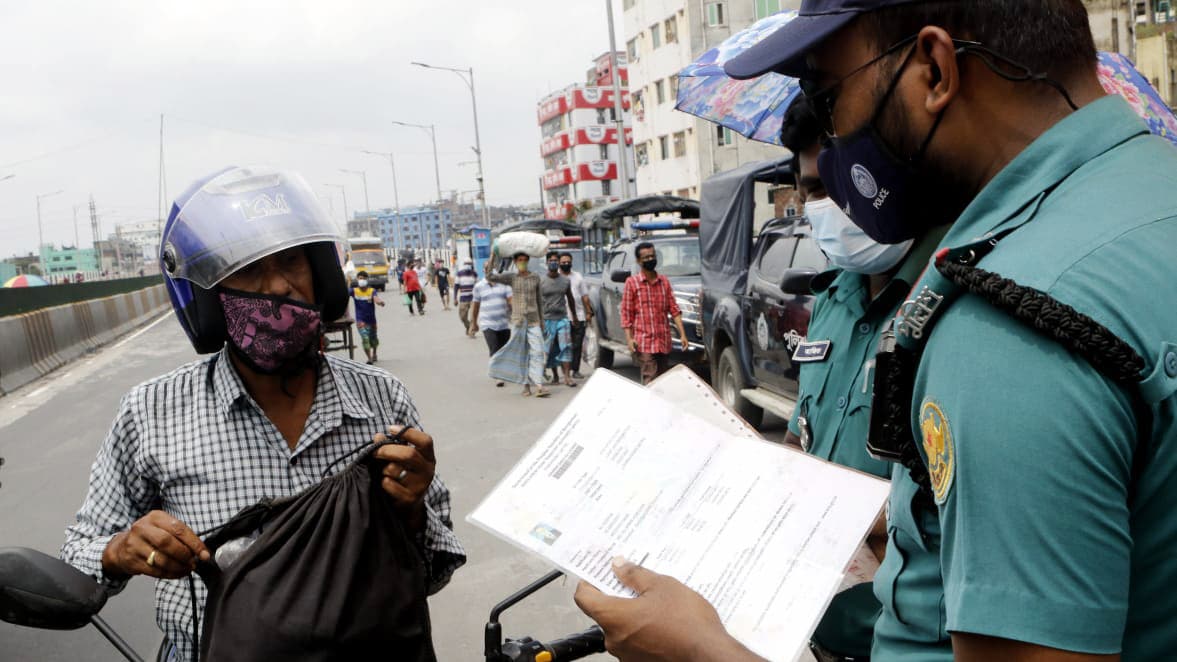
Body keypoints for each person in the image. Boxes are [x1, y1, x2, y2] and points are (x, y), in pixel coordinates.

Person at [575, 1, 1177, 661]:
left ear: (933, 70)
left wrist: (702, 652)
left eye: (829, 96)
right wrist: (917, 520)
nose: (832, 141)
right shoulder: (1147, 199)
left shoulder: (1010, 325)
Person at [60, 167, 466, 662]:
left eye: (292, 261)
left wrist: (410, 513)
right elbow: (78, 554)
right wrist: (121, 550)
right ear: (208, 296)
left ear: (319, 272)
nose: (277, 286)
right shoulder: (151, 412)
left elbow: (434, 571)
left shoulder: (383, 399)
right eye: (249, 269)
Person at [620, 242, 690, 385]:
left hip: (663, 340)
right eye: (646, 257)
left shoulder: (664, 282)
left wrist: (683, 335)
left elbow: (674, 310)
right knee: (650, 378)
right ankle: (650, 406)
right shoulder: (632, 283)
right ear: (639, 261)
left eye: (652, 256)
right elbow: (627, 313)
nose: (650, 259)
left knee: (664, 380)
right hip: (644, 341)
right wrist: (629, 339)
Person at [487, 252, 550, 397]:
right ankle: (526, 386)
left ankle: (539, 384)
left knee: (538, 351)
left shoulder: (535, 277)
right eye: (519, 260)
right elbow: (490, 277)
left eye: (524, 260)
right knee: (522, 354)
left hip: (534, 321)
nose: (522, 262)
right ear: (515, 262)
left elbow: (539, 300)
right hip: (518, 321)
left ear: (528, 261)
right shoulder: (512, 277)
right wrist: (492, 257)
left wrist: (542, 321)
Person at [539, 251, 580, 387]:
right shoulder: (541, 281)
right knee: (550, 349)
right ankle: (555, 375)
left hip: (562, 319)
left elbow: (570, 298)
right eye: (551, 260)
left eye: (556, 260)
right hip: (547, 320)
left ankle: (567, 377)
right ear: (546, 263)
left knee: (566, 347)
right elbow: (536, 301)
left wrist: (574, 316)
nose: (553, 263)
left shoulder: (565, 281)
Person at [469, 263, 513, 388]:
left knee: (503, 349)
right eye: (487, 268)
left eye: (492, 267)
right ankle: (498, 375)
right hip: (487, 323)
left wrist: (516, 312)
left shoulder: (504, 284)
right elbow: (476, 305)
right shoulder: (479, 286)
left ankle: (502, 370)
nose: (490, 270)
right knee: (494, 347)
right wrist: (474, 323)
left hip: (504, 323)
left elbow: (511, 300)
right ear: (483, 270)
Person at [558, 252, 593, 379]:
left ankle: (575, 370)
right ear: (559, 263)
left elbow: (584, 296)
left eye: (568, 262)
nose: (566, 264)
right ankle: (564, 371)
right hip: (561, 317)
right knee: (564, 345)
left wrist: (588, 311)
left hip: (579, 316)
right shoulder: (555, 277)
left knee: (577, 345)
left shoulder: (577, 277)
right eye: (563, 262)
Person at [351, 269, 386, 364]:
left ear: (367, 280)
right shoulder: (354, 291)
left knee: (373, 339)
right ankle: (369, 358)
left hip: (371, 320)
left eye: (363, 278)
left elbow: (376, 299)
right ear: (357, 280)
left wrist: (380, 302)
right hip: (360, 320)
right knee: (365, 339)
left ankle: (374, 353)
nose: (361, 280)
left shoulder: (372, 291)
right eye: (360, 278)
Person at [454, 260, 479, 337]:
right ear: (464, 264)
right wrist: (455, 298)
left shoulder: (474, 274)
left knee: (472, 316)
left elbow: (478, 286)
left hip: (473, 299)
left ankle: (472, 332)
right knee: (462, 316)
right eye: (467, 263)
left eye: (469, 264)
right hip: (463, 299)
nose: (468, 265)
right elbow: (456, 286)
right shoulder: (459, 274)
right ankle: (468, 327)